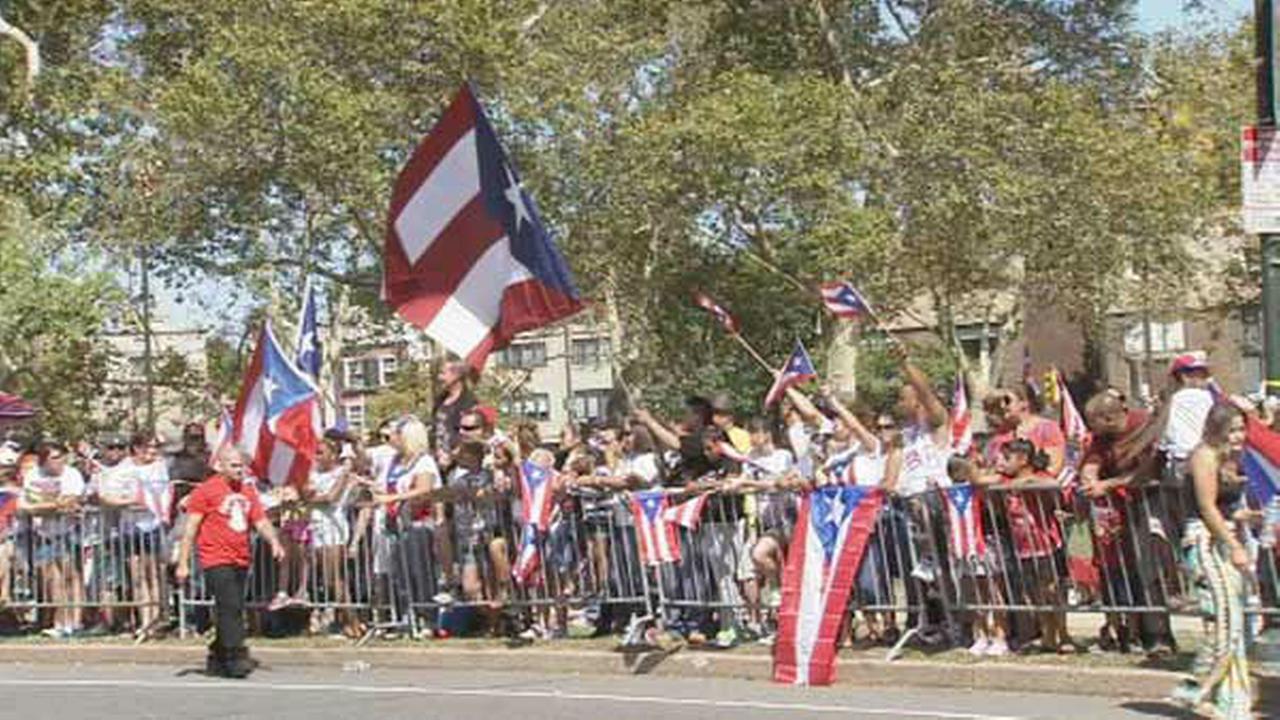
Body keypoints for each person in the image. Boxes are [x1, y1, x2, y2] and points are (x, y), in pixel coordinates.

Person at [1169, 404, 1257, 719]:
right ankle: (1192, 690)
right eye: (1232, 430)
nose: (1238, 436)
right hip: (1206, 541)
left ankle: (1231, 700)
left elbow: (1230, 508)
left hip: (1227, 537)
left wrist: (1256, 517)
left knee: (1241, 625)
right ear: (1216, 429)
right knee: (1225, 621)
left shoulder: (1230, 460)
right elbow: (1207, 508)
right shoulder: (1203, 455)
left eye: (1241, 429)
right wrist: (1233, 544)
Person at [175, 447, 285, 678]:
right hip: (215, 558)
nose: (240, 470)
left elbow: (260, 520)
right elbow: (191, 528)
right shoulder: (206, 491)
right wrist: (183, 562)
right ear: (220, 466)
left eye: (241, 465)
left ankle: (217, 655)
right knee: (231, 606)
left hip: (241, 557)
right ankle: (236, 656)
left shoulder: (247, 490)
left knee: (231, 608)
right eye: (234, 465)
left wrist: (274, 542)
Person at [1081, 389, 1173, 655]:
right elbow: (1092, 461)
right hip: (1117, 511)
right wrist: (1090, 477)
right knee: (1121, 570)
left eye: (1093, 421)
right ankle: (1127, 633)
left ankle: (1159, 636)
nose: (1090, 428)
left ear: (1109, 418)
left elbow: (1146, 472)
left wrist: (1107, 484)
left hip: (1149, 503)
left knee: (1149, 570)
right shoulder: (1103, 438)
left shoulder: (1145, 426)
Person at [21, 442, 87, 638]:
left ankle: (75, 622)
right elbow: (29, 505)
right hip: (43, 534)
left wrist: (47, 506)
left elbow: (71, 501)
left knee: (71, 577)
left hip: (68, 532)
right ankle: (60, 622)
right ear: (44, 460)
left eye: (62, 456)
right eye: (55, 457)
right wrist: (54, 505)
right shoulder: (33, 474)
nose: (60, 461)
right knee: (52, 579)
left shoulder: (72, 474)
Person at [982, 387, 1066, 478]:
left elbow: (1053, 467)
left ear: (1024, 403)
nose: (1002, 406)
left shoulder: (1047, 428)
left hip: (1036, 487)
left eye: (1007, 401)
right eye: (998, 403)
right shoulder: (999, 436)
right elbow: (991, 467)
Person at [432, 360, 477, 464]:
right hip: (439, 459)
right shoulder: (440, 400)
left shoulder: (468, 402)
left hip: (458, 462)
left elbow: (470, 434)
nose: (439, 378)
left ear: (457, 376)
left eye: (443, 373)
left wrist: (452, 456)